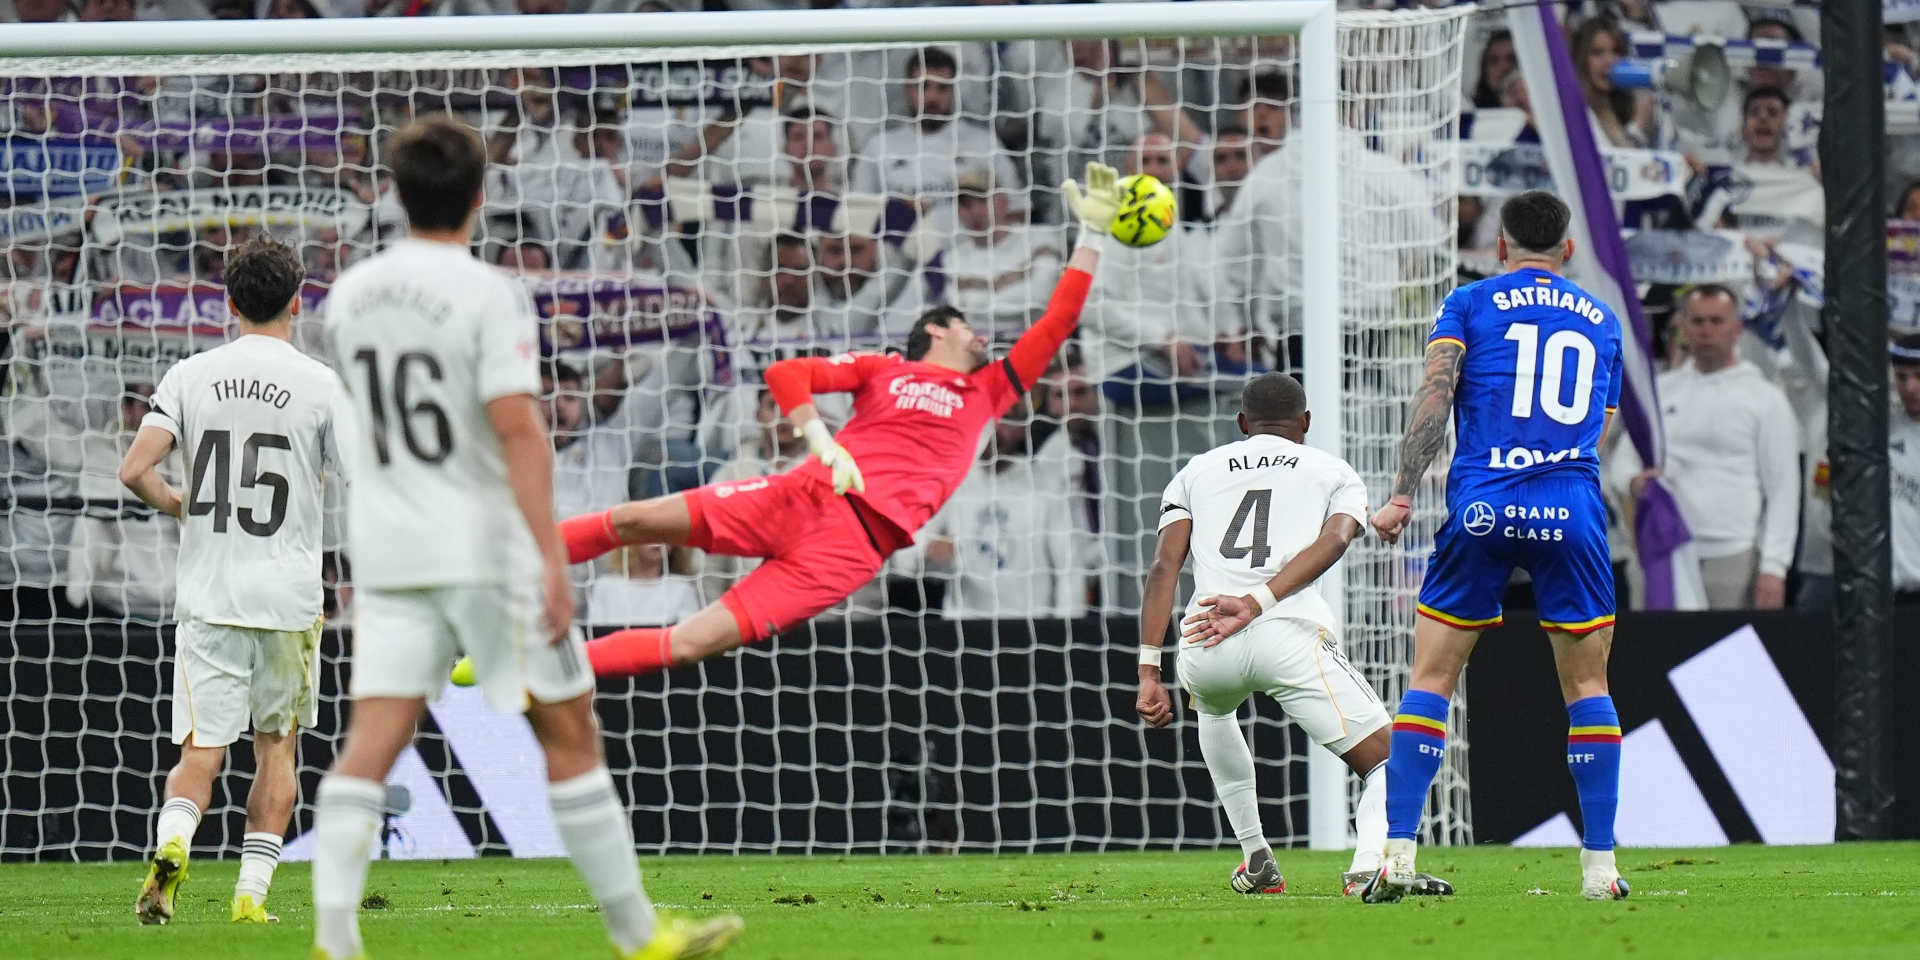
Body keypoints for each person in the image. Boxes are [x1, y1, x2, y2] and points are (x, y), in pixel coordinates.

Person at [310, 116, 741, 960]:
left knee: (370, 741)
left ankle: (336, 941)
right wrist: (551, 558)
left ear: (395, 194)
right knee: (570, 726)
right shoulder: (486, 292)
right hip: (479, 546)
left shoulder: (351, 295)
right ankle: (638, 934)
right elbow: (518, 431)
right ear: (482, 194)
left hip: (390, 549)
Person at [544, 163, 1121, 680]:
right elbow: (788, 374)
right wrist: (821, 440)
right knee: (631, 519)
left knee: (693, 643)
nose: (981, 336)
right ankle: (499, 571)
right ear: (938, 330)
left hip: (849, 551)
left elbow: (1059, 318)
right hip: (799, 493)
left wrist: (1092, 233)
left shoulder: (987, 390)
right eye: (967, 326)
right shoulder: (883, 369)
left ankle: (535, 675)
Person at [1366, 191, 1627, 903]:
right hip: (1570, 507)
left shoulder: (1471, 303)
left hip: (1483, 505)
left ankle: (1395, 856)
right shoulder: (1603, 319)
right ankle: (1599, 871)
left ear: (1501, 248)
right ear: (1567, 251)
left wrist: (1400, 494)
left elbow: (1435, 394)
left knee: (1431, 679)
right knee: (1587, 688)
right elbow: (1602, 425)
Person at [1135, 373, 1451, 899]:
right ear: (1306, 422)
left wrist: (1149, 670)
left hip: (1205, 637)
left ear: (1242, 424)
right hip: (1285, 630)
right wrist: (1259, 602)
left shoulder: (1196, 470)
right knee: (1390, 761)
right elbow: (1336, 540)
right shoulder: (1332, 470)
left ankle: (1256, 857)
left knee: (1213, 712)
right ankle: (1368, 868)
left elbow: (1163, 567)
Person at [119, 238, 339, 926]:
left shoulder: (191, 374)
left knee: (202, 749)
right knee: (277, 746)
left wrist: (181, 504)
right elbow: (366, 478)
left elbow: (133, 471)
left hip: (210, 595)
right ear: (298, 303)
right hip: (289, 600)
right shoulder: (322, 384)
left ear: (231, 302)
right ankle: (250, 897)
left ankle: (175, 844)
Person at [1612, 286, 1799, 609]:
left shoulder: (1765, 399)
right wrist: (1633, 482)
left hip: (1732, 555)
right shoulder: (1660, 391)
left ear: (1737, 328)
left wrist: (1774, 567)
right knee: (1657, 656)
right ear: (1683, 328)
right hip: (1661, 551)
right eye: (1697, 321)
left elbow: (1783, 491)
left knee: (1726, 659)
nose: (1707, 330)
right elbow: (1622, 460)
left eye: (1717, 320)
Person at [1891, 337, 1920, 602]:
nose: (1910, 387)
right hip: (1888, 591)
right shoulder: (1882, 422)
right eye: (1901, 377)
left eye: (1919, 376)